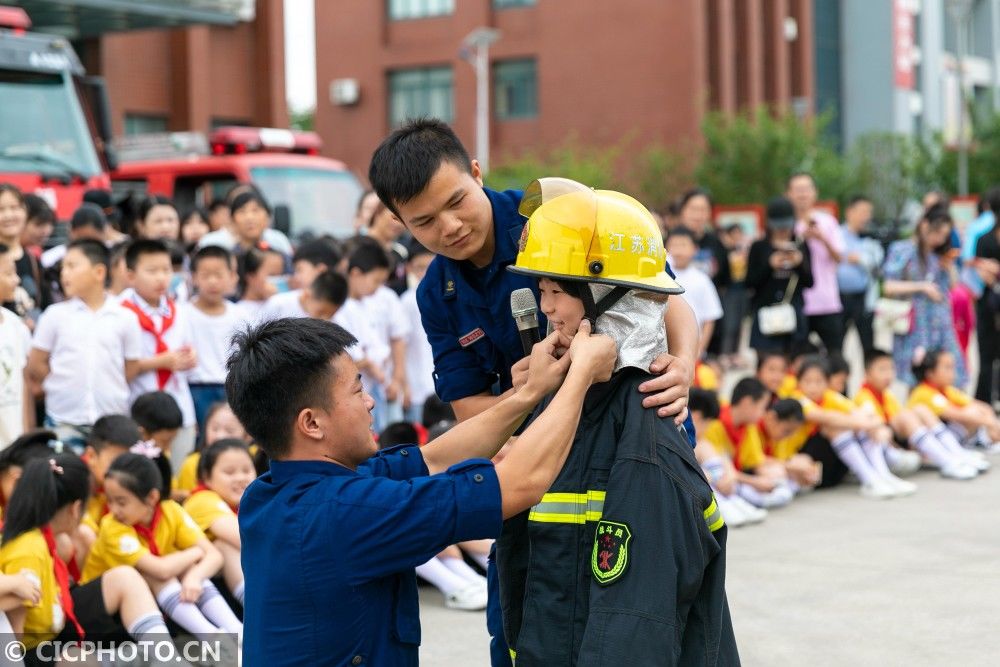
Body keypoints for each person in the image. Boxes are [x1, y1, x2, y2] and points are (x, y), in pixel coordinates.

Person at [368, 121, 699, 665]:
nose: (449, 227)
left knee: (645, 614)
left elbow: (665, 296)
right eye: (424, 221)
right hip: (538, 471)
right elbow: (469, 407)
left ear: (476, 172)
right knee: (523, 625)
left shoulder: (559, 216)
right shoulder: (436, 294)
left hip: (631, 443)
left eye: (457, 201)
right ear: (399, 222)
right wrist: (530, 393)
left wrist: (683, 364)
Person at [232, 315, 616, 666]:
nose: (370, 402)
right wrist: (581, 375)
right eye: (356, 391)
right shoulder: (344, 513)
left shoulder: (267, 494)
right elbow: (521, 482)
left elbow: (435, 460)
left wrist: (530, 393)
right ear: (312, 423)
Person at [498, 188, 739, 665]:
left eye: (557, 292)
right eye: (541, 291)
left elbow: (635, 627)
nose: (544, 309)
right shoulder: (567, 405)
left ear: (607, 300)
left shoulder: (644, 432)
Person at [0, 453, 185, 666]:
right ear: (76, 508)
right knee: (83, 661)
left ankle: (168, 660)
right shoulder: (29, 549)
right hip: (33, 647)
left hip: (58, 623)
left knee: (124, 578)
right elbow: (15, 638)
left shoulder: (43, 538)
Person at [81, 445, 241, 639]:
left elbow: (215, 556)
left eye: (121, 502)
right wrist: (195, 553)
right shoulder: (111, 526)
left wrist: (195, 576)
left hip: (155, 604)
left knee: (187, 568)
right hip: (107, 615)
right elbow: (161, 569)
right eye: (110, 501)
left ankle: (237, 631)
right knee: (160, 570)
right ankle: (212, 637)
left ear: (152, 497)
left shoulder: (170, 510)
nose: (114, 509)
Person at [28, 240, 142, 449]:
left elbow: (131, 366)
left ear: (99, 272)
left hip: (111, 417)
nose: (64, 274)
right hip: (64, 418)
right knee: (66, 473)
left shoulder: (125, 317)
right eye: (63, 268)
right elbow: (36, 362)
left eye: (72, 266)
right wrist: (61, 381)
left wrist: (106, 379)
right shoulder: (55, 315)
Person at [120, 240, 197, 470]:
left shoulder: (179, 311)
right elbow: (118, 367)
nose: (161, 278)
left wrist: (189, 357)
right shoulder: (118, 312)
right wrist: (161, 362)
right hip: (137, 409)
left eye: (166, 270)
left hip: (178, 406)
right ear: (131, 275)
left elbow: (188, 348)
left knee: (176, 470)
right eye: (152, 271)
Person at [790, 356, 915, 498]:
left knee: (860, 426)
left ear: (827, 383)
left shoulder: (830, 396)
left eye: (819, 382)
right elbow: (824, 417)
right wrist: (865, 423)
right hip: (804, 456)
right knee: (836, 426)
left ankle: (883, 475)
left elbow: (864, 414)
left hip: (830, 457)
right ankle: (870, 480)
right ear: (798, 382)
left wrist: (873, 426)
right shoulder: (798, 400)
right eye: (807, 381)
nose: (813, 387)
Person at [857, 349, 985, 480]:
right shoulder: (864, 398)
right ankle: (948, 459)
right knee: (916, 412)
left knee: (921, 411)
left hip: (910, 441)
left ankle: (955, 455)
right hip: (888, 449)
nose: (888, 375)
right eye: (882, 370)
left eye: (891, 369)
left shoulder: (887, 395)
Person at [882, 206, 967, 387]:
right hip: (916, 324)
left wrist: (949, 265)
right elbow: (888, 286)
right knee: (918, 375)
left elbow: (952, 286)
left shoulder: (939, 254)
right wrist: (922, 287)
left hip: (940, 323)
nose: (940, 239)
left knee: (948, 371)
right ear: (924, 225)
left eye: (944, 235)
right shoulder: (902, 250)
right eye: (938, 233)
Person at [182, 246, 248, 430]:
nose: (212, 281)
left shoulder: (240, 315)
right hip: (195, 388)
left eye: (218, 275)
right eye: (205, 275)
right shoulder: (182, 314)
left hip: (231, 388)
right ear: (194, 277)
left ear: (231, 276)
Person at [183, 439, 254, 607]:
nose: (241, 478)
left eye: (246, 470)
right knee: (224, 545)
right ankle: (260, 609)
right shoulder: (201, 499)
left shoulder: (249, 503)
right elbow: (246, 538)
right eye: (229, 472)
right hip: (193, 588)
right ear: (206, 477)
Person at [703, 378, 796, 508]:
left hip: (737, 477)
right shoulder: (715, 423)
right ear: (747, 402)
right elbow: (719, 469)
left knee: (776, 475)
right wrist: (755, 482)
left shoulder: (749, 426)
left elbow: (756, 462)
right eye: (762, 407)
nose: (763, 413)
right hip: (718, 479)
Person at [689, 389, 768, 528]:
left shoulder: (701, 440)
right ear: (696, 416)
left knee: (706, 447)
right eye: (706, 422)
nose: (707, 428)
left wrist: (726, 475)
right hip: (693, 490)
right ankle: (722, 505)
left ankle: (731, 500)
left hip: (719, 485)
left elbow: (721, 455)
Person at [746, 197, 814, 354]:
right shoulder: (759, 247)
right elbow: (749, 283)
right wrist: (769, 265)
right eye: (778, 226)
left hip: (793, 315)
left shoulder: (800, 245)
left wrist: (799, 264)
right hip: (765, 315)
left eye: (786, 225)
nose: (783, 229)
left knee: (794, 362)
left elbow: (810, 283)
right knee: (768, 364)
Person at [787, 172, 845, 352]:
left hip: (827, 301)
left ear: (815, 193)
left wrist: (822, 238)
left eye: (806, 189)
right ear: (788, 194)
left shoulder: (827, 222)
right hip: (796, 302)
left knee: (835, 355)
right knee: (798, 357)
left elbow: (840, 258)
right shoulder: (785, 225)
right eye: (797, 190)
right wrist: (800, 238)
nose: (802, 194)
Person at [908, 348, 1000, 452]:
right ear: (930, 373)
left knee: (973, 410)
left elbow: (981, 407)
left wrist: (992, 422)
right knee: (970, 413)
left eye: (953, 367)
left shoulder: (946, 389)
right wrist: (991, 424)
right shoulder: (923, 392)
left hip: (950, 433)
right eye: (947, 368)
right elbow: (958, 415)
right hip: (922, 444)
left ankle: (980, 440)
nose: (953, 372)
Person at [667, 227, 723, 360]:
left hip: (692, 348)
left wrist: (700, 349)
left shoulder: (702, 279)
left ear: (695, 249)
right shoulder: (661, 276)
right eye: (674, 245)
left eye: (683, 245)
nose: (679, 251)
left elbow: (710, 318)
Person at [837, 195, 883, 354]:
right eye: (863, 212)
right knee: (837, 343)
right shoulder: (837, 235)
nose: (867, 217)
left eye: (869, 212)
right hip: (839, 297)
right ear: (849, 212)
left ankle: (870, 378)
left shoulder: (871, 237)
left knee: (868, 344)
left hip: (863, 298)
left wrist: (859, 259)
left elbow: (876, 265)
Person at [0, 184, 48, 325]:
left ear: (25, 212)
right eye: (1, 209)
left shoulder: (33, 261)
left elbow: (44, 305)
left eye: (15, 208)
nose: (8, 215)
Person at [0, 243, 32, 446]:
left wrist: (28, 439)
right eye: (9, 273)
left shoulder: (16, 326)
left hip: (14, 444)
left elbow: (25, 385)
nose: (17, 280)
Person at [401, 240, 436, 423]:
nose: (425, 273)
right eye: (419, 267)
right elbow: (401, 347)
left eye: (429, 266)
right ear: (409, 268)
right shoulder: (407, 301)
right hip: (416, 388)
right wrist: (404, 386)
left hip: (440, 384)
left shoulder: (444, 296)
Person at [366, 199, 410, 294]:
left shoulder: (401, 253)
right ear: (378, 212)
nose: (398, 224)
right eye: (394, 218)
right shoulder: (358, 247)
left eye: (403, 220)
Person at [235, 246, 286, 320]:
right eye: (272, 275)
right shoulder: (237, 313)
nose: (278, 280)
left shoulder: (284, 303)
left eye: (280, 275)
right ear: (251, 276)